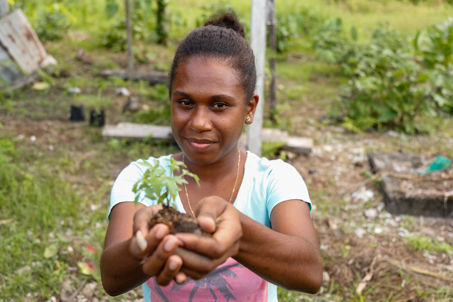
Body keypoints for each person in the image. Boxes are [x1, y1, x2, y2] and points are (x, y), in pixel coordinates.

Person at [100, 12, 323, 302]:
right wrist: (144, 243)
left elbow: (310, 272)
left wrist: (238, 232)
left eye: (219, 105)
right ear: (170, 100)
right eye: (185, 102)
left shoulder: (273, 180)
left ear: (249, 108)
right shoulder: (142, 178)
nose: (199, 122)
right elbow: (111, 278)